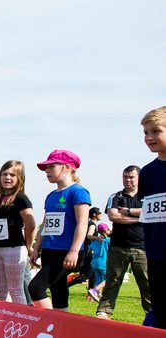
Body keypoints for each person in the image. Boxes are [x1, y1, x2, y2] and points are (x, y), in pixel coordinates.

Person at [28, 149, 91, 312]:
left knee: (35, 287)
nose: (47, 171)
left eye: (51, 166)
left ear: (67, 167)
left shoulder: (78, 192)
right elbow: (45, 224)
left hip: (66, 251)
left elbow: (82, 224)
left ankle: (53, 321)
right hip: (49, 250)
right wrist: (36, 248)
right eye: (45, 168)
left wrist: (74, 251)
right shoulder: (50, 195)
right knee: (58, 291)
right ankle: (62, 326)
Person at [96, 165, 151, 320]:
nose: (128, 180)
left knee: (147, 283)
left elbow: (151, 211)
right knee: (112, 281)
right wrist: (141, 217)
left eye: (131, 177)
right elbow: (113, 216)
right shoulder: (116, 196)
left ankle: (152, 313)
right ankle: (104, 311)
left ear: (139, 178)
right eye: (125, 177)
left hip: (142, 247)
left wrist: (127, 212)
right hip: (118, 247)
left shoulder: (147, 196)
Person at [0, 160, 36, 305]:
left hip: (14, 248)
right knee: (1, 290)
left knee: (15, 289)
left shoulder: (21, 198)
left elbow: (30, 222)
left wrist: (29, 245)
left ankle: (21, 322)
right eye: (4, 174)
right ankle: (5, 321)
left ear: (19, 178)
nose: (7, 178)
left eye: (12, 175)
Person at [137, 107, 166, 329]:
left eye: (156, 131)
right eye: (146, 132)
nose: (149, 138)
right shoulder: (146, 173)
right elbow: (149, 216)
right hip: (156, 253)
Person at [88, 223, 111, 301]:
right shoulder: (108, 241)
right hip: (103, 263)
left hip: (94, 263)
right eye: (108, 229)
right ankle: (94, 291)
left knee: (98, 280)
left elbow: (90, 249)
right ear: (105, 230)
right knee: (108, 279)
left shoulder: (94, 242)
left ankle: (93, 298)